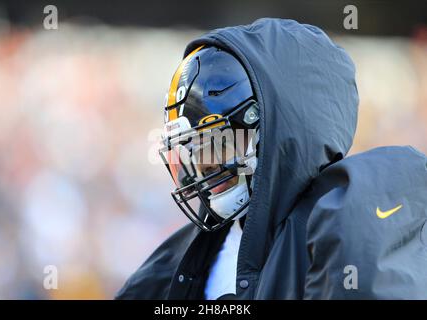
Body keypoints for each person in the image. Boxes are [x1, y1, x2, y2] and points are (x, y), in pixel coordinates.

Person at [116, 18, 427, 299]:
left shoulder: (343, 222)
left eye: (219, 141)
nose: (205, 163)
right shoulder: (173, 263)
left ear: (277, 126)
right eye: (195, 147)